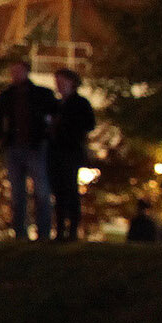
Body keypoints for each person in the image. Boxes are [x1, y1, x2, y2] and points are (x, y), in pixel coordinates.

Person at [0, 58, 58, 241]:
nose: (15, 75)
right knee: (18, 194)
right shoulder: (8, 96)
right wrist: (3, 136)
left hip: (34, 146)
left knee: (41, 191)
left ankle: (43, 233)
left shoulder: (40, 94)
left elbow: (54, 114)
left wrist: (46, 133)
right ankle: (21, 233)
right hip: (15, 147)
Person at [46, 67, 96, 241]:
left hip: (71, 151)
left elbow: (89, 124)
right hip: (57, 151)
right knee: (59, 190)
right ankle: (60, 229)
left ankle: (72, 229)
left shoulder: (79, 104)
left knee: (70, 189)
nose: (59, 86)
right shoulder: (57, 105)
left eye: (62, 82)